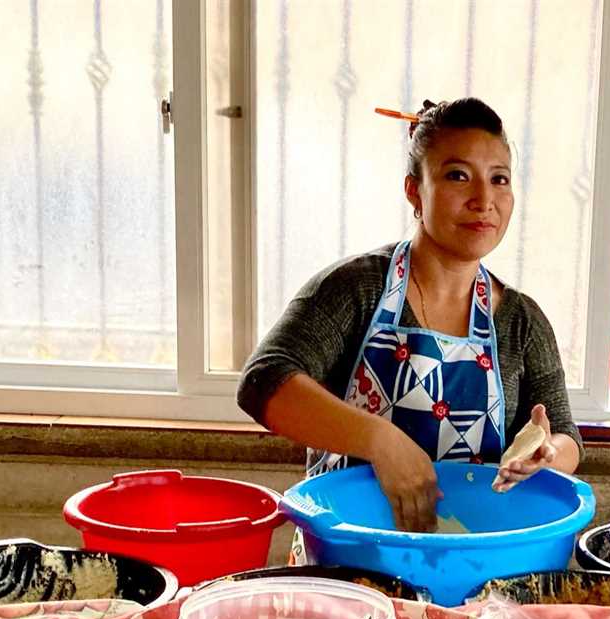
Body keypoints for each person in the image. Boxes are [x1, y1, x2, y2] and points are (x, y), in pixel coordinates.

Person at [237, 97, 582, 532]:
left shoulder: (521, 321)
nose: (484, 199)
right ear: (414, 190)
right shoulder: (357, 289)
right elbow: (262, 381)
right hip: (349, 561)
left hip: (472, 561)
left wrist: (546, 454)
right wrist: (381, 441)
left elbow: (567, 435)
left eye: (500, 179)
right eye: (458, 176)